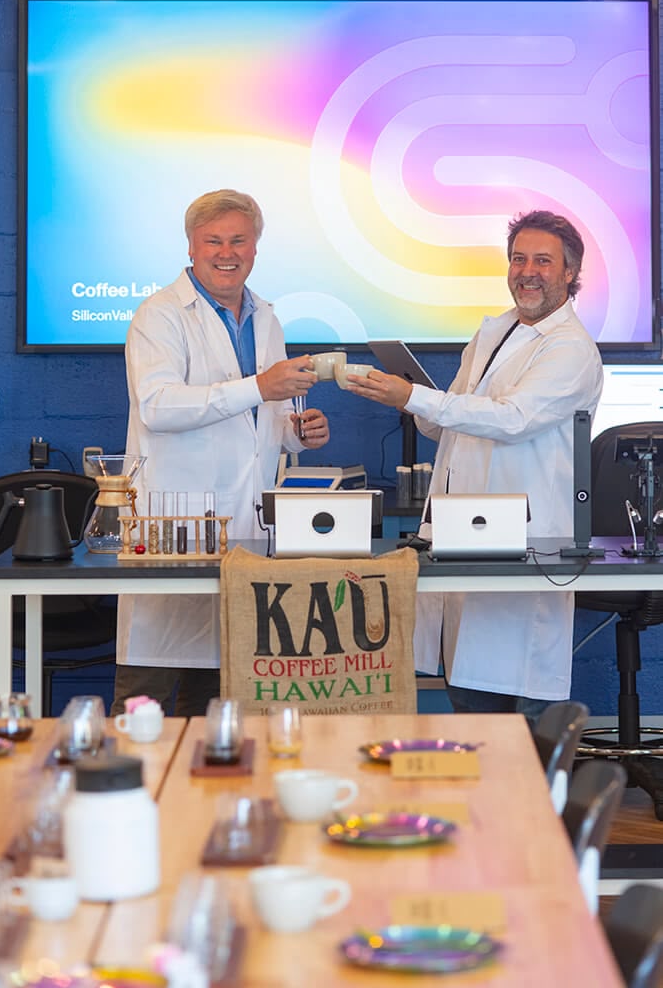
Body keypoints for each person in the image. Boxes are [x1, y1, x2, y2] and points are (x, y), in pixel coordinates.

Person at [347, 210, 603, 724]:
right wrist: (409, 400)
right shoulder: (495, 332)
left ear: (571, 274)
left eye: (543, 261)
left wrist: (417, 396)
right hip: (466, 538)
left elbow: (512, 419)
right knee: (470, 695)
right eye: (518, 258)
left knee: (524, 706)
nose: (527, 270)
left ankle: (533, 802)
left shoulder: (572, 350)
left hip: (527, 543)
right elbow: (448, 427)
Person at [111, 190, 330, 716]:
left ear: (256, 247)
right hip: (173, 524)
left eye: (238, 240)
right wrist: (260, 386)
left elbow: (263, 418)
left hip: (245, 528)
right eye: (213, 241)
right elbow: (159, 406)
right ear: (192, 247)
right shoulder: (159, 315)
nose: (226, 252)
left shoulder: (266, 317)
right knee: (147, 697)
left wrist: (297, 431)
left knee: (222, 700)